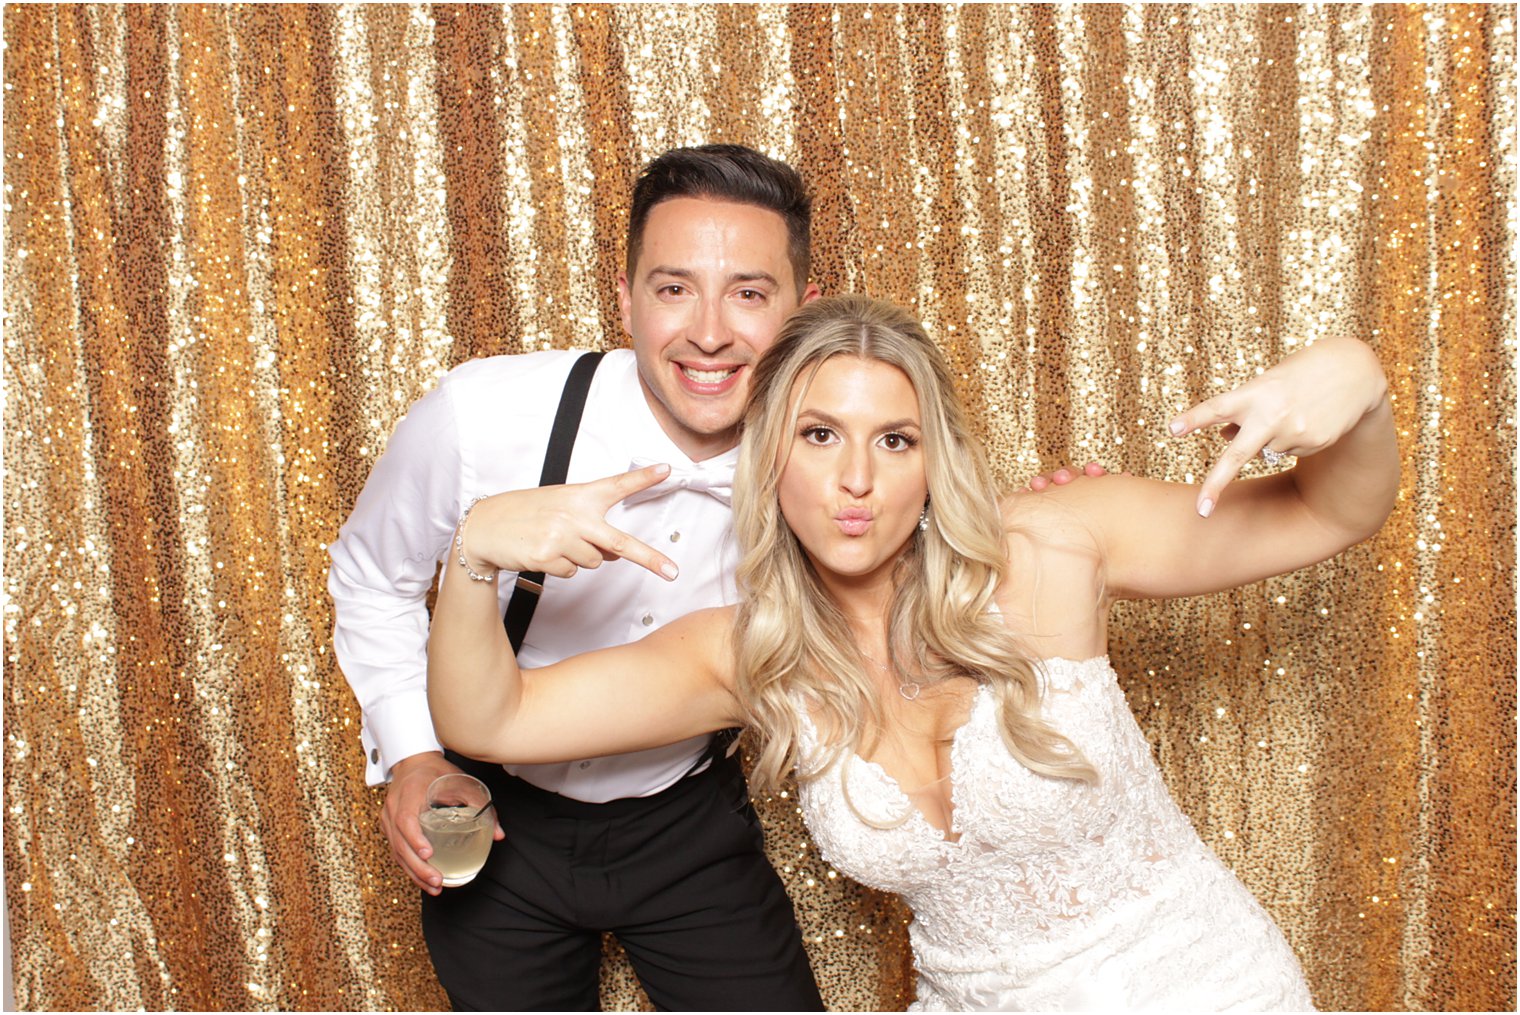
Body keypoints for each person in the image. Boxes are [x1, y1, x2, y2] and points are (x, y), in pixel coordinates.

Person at [428, 294, 1399, 1010]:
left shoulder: (1048, 546)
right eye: (818, 435)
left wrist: (1358, 377)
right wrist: (475, 551)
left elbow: (1328, 508)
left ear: (933, 460)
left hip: (1198, 987)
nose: (856, 478)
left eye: (893, 440)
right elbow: (491, 717)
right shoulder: (748, 653)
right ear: (768, 456)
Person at [328, 144, 827, 1010]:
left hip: (689, 816)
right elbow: (373, 575)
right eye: (674, 288)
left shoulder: (831, 454)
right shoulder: (482, 416)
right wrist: (413, 758)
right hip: (498, 819)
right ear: (625, 295)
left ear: (802, 311)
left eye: (748, 293)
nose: (709, 331)